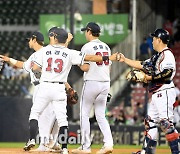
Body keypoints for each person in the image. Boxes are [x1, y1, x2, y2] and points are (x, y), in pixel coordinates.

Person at [24, 27, 118, 154]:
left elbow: (35, 67)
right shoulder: (70, 53)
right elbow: (90, 58)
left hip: (45, 86)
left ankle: (31, 140)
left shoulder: (44, 50)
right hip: (59, 88)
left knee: (35, 113)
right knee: (62, 119)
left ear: (55, 38)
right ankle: (64, 149)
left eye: (52, 36)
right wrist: (108, 58)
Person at [118, 28, 179, 154]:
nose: (152, 41)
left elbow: (167, 73)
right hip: (157, 93)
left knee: (166, 123)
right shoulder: (158, 56)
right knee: (150, 121)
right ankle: (148, 151)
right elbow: (142, 64)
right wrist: (125, 60)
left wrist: (149, 77)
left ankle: (176, 152)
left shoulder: (167, 55)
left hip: (165, 90)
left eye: (154, 39)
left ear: (159, 40)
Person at [0, 31, 63, 152]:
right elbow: (24, 65)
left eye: (29, 40)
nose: (28, 42)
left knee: (46, 116)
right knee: (45, 116)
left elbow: (41, 70)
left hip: (45, 86)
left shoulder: (45, 52)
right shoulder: (35, 55)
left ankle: (47, 144)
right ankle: (51, 143)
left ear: (34, 39)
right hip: (39, 87)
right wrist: (9, 59)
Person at [72, 22, 113, 154]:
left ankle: (86, 147)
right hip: (105, 82)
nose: (85, 33)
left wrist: (77, 63)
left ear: (89, 31)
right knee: (101, 115)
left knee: (84, 113)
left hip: (92, 82)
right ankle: (108, 144)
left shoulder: (87, 47)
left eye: (86, 31)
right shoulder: (106, 47)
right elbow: (109, 67)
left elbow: (86, 67)